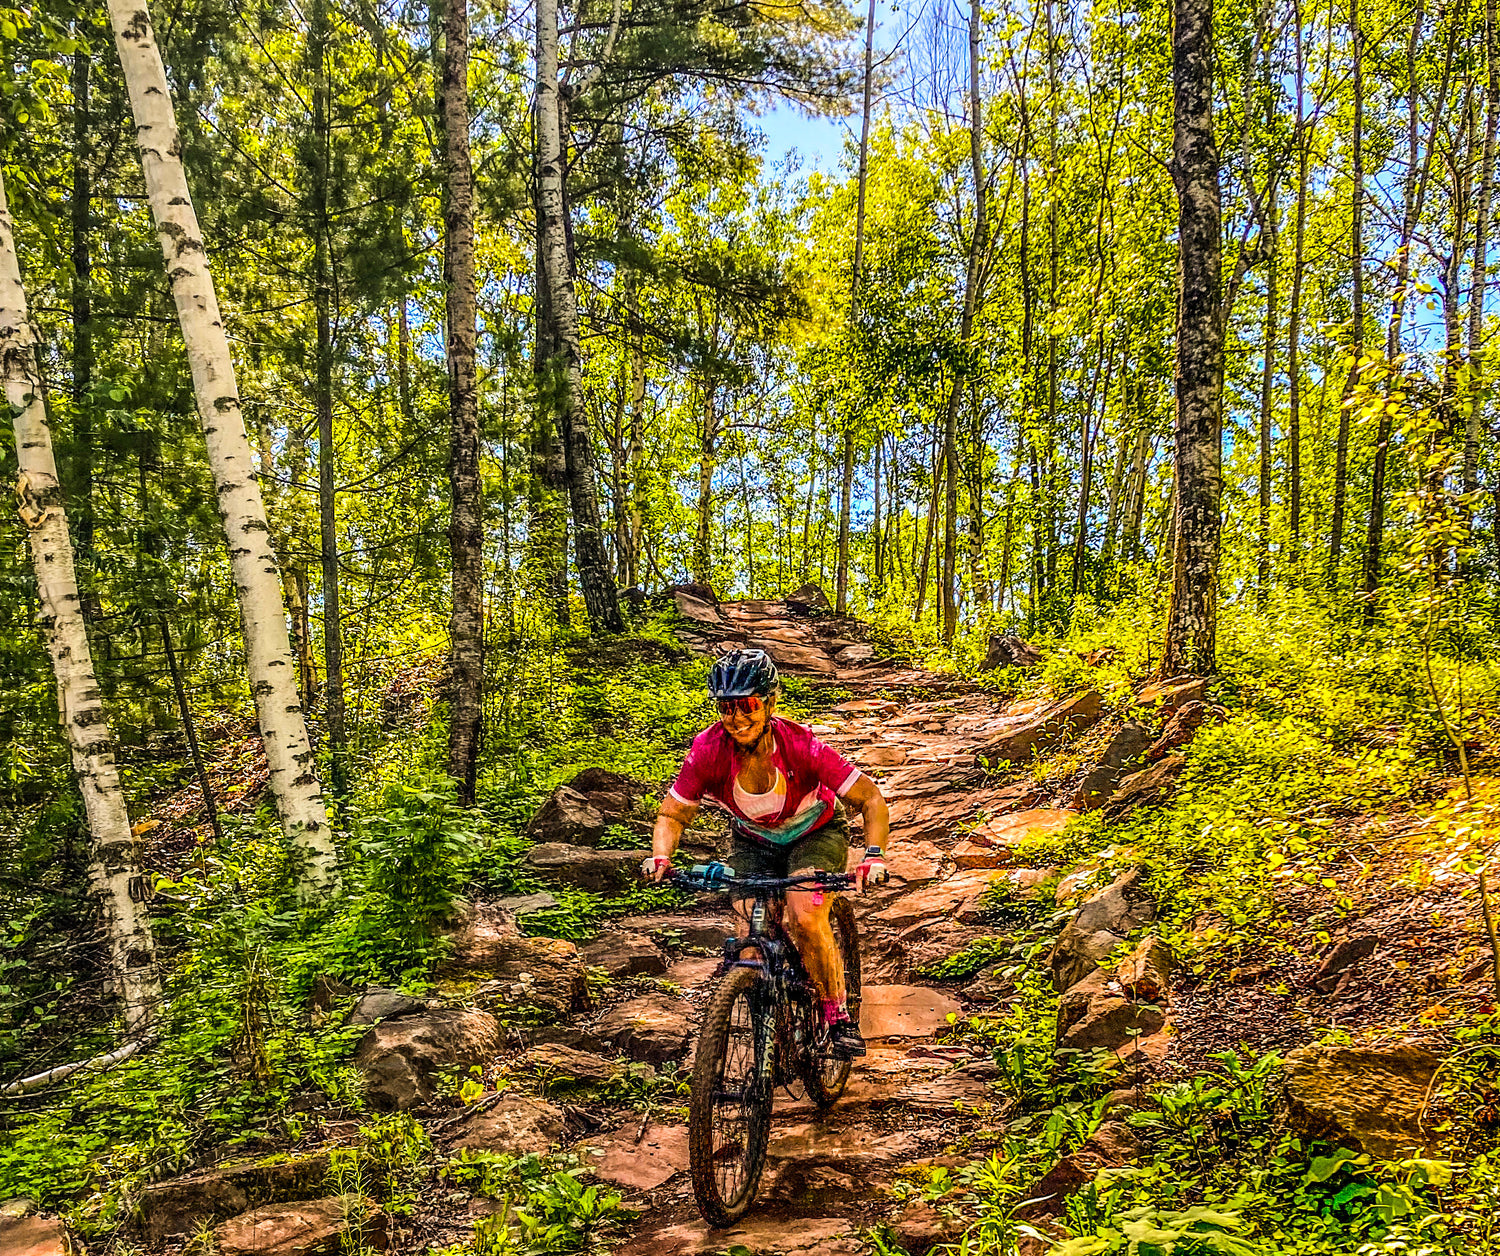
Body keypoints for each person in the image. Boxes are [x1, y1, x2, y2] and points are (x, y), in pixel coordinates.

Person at [644, 648, 890, 1059]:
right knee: (749, 937)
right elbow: (673, 814)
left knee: (805, 915)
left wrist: (874, 855)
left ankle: (836, 1014)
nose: (736, 717)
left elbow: (870, 799)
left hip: (815, 832)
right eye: (727, 707)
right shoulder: (708, 751)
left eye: (748, 705)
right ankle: (770, 1033)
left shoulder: (802, 746)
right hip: (754, 841)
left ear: (770, 703)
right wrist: (661, 857)